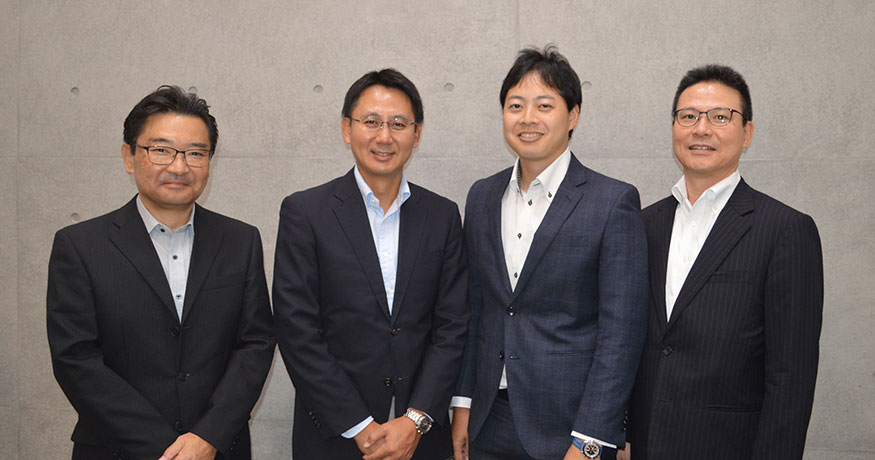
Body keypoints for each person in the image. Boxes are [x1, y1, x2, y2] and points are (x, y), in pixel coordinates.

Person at [47, 85, 276, 460]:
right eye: (161, 149)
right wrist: (164, 447)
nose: (179, 166)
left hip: (216, 449)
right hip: (115, 449)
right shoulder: (80, 245)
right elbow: (76, 359)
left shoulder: (240, 240)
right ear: (129, 156)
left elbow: (256, 344)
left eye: (195, 153)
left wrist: (208, 436)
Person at [451, 46, 648, 460]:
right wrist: (463, 405)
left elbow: (621, 336)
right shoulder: (482, 196)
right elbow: (477, 311)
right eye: (515, 105)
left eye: (545, 105)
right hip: (488, 422)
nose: (527, 118)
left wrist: (591, 439)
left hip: (569, 429)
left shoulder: (613, 201)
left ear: (573, 115)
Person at [623, 64, 824, 459]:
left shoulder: (785, 230)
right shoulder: (642, 225)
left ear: (746, 133)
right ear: (674, 127)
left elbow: (791, 378)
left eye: (720, 117)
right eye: (689, 116)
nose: (701, 129)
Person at [272, 68, 468, 460]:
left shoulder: (442, 215)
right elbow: (297, 330)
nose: (384, 136)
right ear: (347, 129)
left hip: (421, 440)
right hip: (334, 437)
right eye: (371, 122)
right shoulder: (305, 212)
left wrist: (415, 420)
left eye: (398, 124)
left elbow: (453, 326)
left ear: (417, 133)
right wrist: (359, 425)